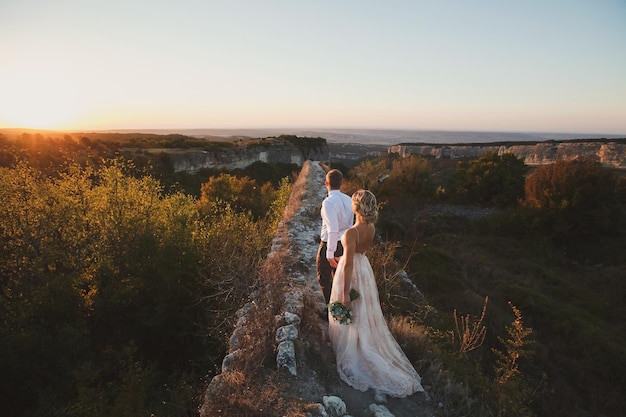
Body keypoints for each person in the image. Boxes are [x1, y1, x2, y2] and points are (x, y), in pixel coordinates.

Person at [328, 190, 424, 398]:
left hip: (352, 271)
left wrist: (344, 293)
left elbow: (348, 265)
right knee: (364, 310)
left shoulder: (351, 233)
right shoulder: (371, 227)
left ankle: (354, 349)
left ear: (356, 207)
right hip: (365, 269)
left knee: (350, 307)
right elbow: (359, 254)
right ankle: (361, 341)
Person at [316, 169, 354, 305]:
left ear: (326, 183)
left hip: (329, 244)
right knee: (341, 278)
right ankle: (341, 307)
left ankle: (330, 309)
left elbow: (333, 230)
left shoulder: (328, 202)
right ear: (341, 184)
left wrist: (329, 254)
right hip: (345, 244)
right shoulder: (348, 199)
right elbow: (350, 224)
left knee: (324, 278)